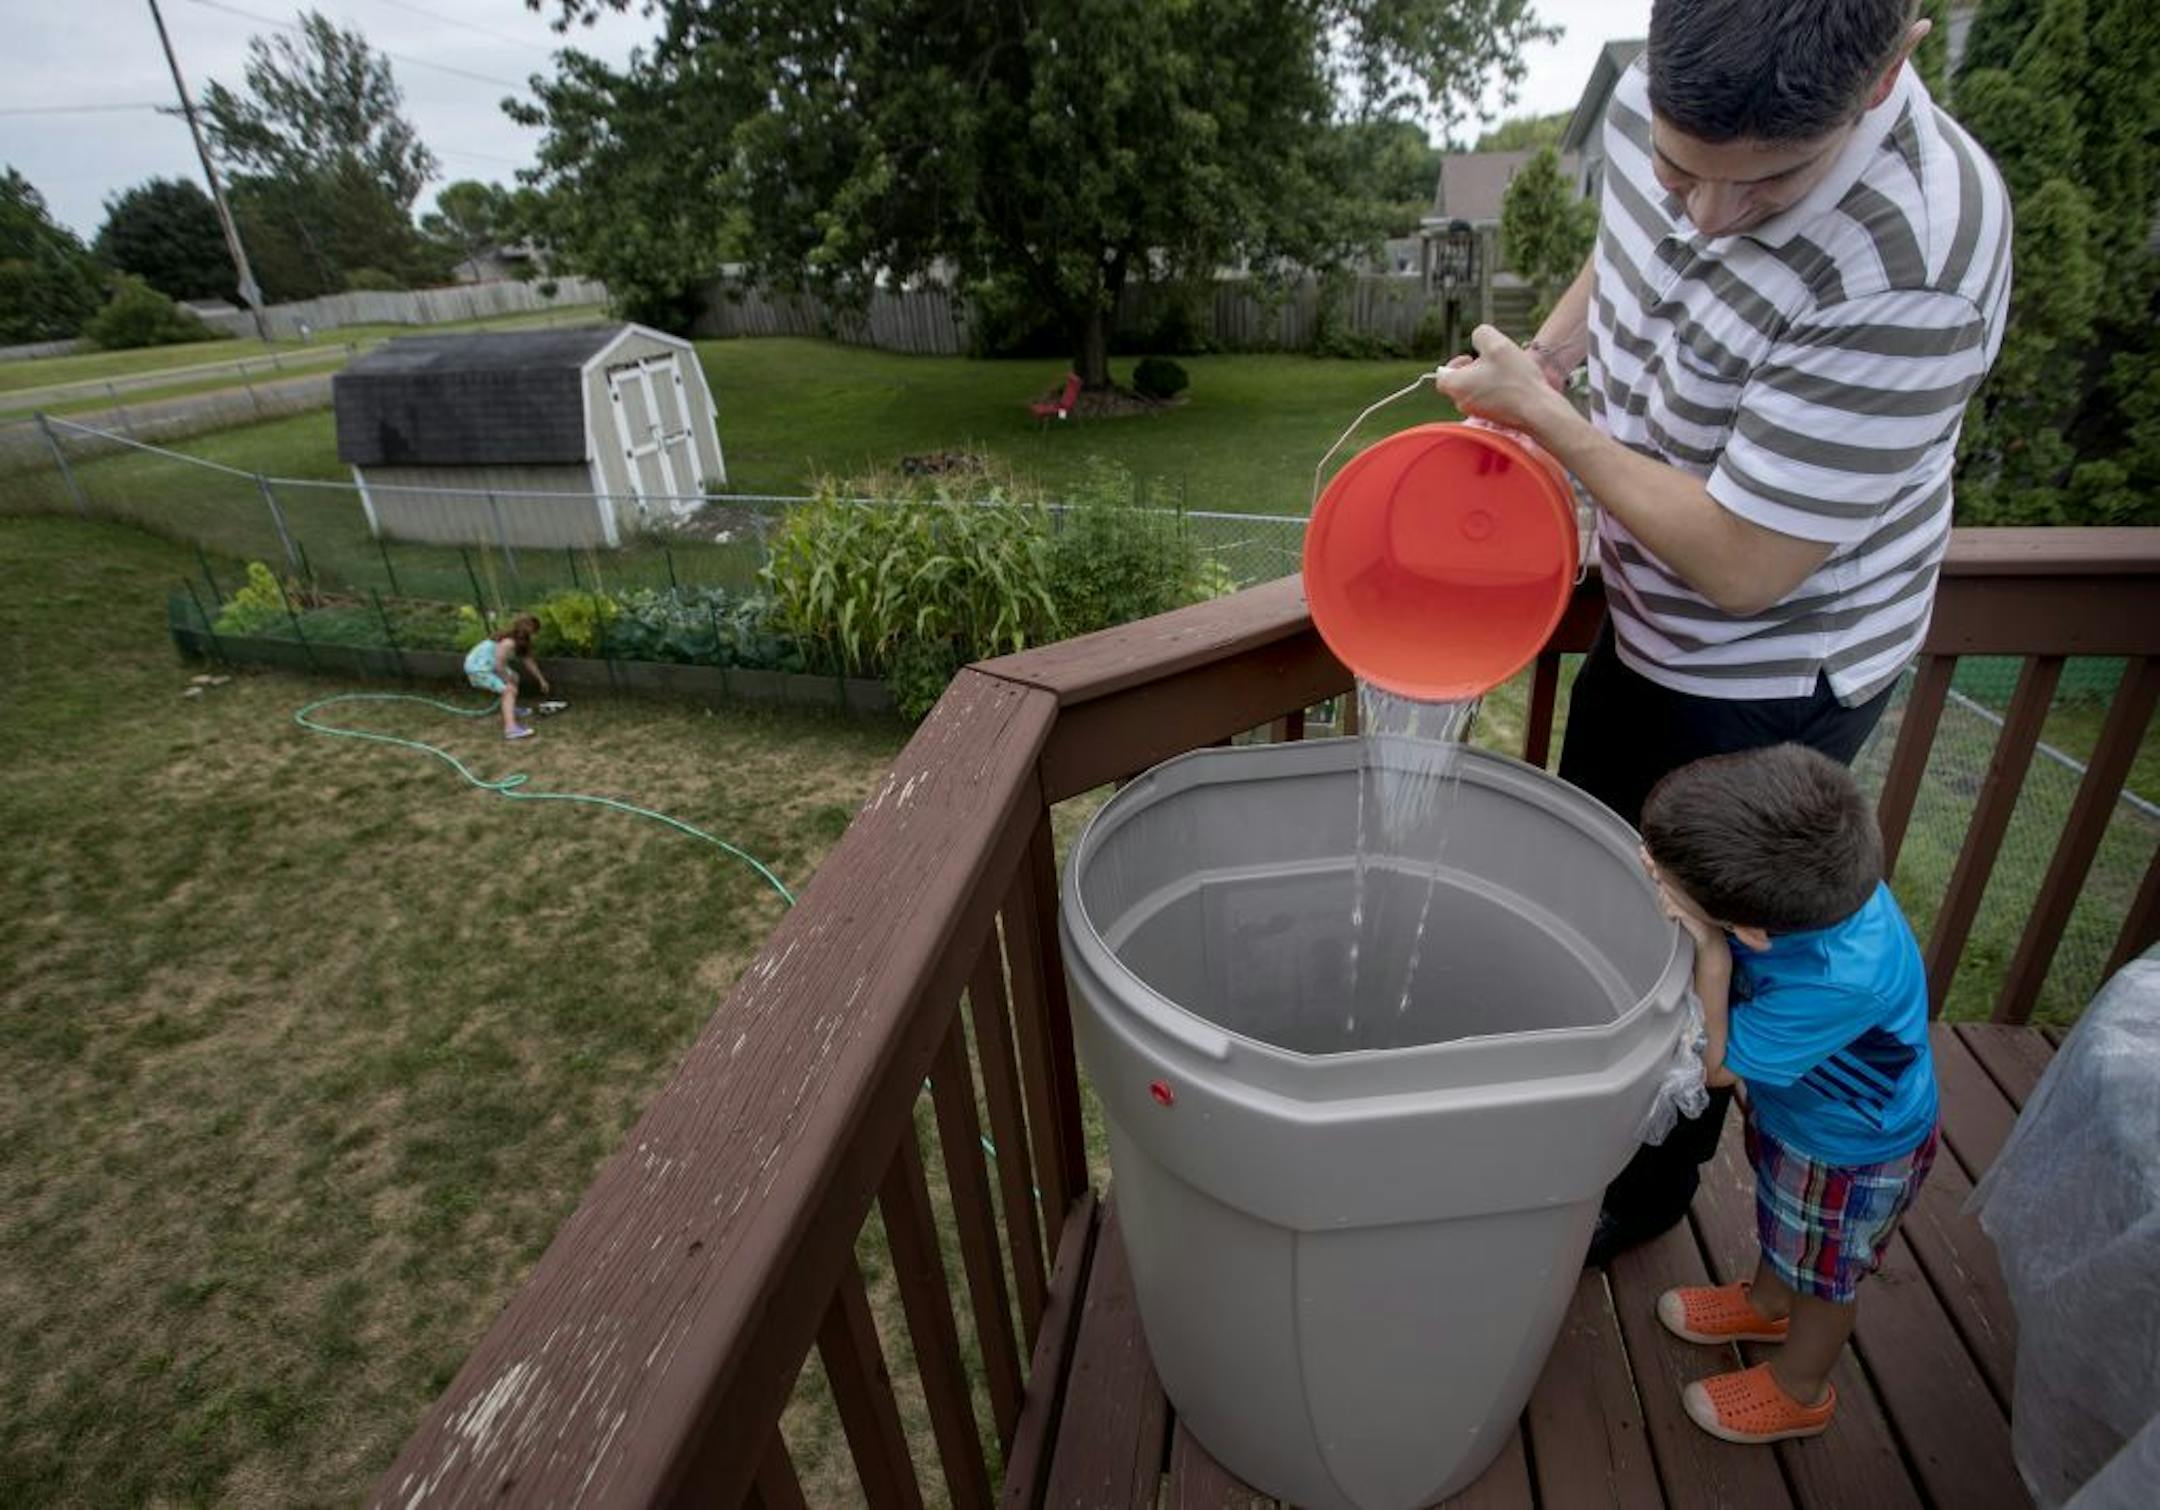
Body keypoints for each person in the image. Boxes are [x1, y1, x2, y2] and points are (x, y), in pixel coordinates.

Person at [1431, 0, 2009, 1263]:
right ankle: (1555, 1101)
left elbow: (1745, 564)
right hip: (1644, 620)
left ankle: (1633, 1190)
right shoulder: (1668, 91)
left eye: (1765, 186)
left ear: (1890, 64)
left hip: (1765, 670)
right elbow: (1629, 250)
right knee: (1595, 868)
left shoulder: (1917, 254)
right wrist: (1554, 355)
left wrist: (1554, 422)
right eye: (1676, 169)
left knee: (1700, 935)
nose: (1702, 215)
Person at [1639, 744, 1937, 1444]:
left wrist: (1710, 952)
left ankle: (1801, 1387)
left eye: (1668, 883)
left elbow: (1717, 1068)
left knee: (1828, 1274)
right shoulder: (1824, 883)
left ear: (1749, 933)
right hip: (1798, 1113)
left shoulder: (1839, 979)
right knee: (1787, 1226)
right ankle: (1768, 1302)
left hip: (1853, 1153)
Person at [464, 615, 550, 741]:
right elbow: (499, 666)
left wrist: (541, 680)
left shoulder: (519, 643)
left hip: (489, 666)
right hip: (478, 669)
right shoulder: (508, 643)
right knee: (509, 690)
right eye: (535, 632)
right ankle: (511, 729)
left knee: (514, 678)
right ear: (530, 632)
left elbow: (528, 661)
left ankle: (510, 708)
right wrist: (507, 679)